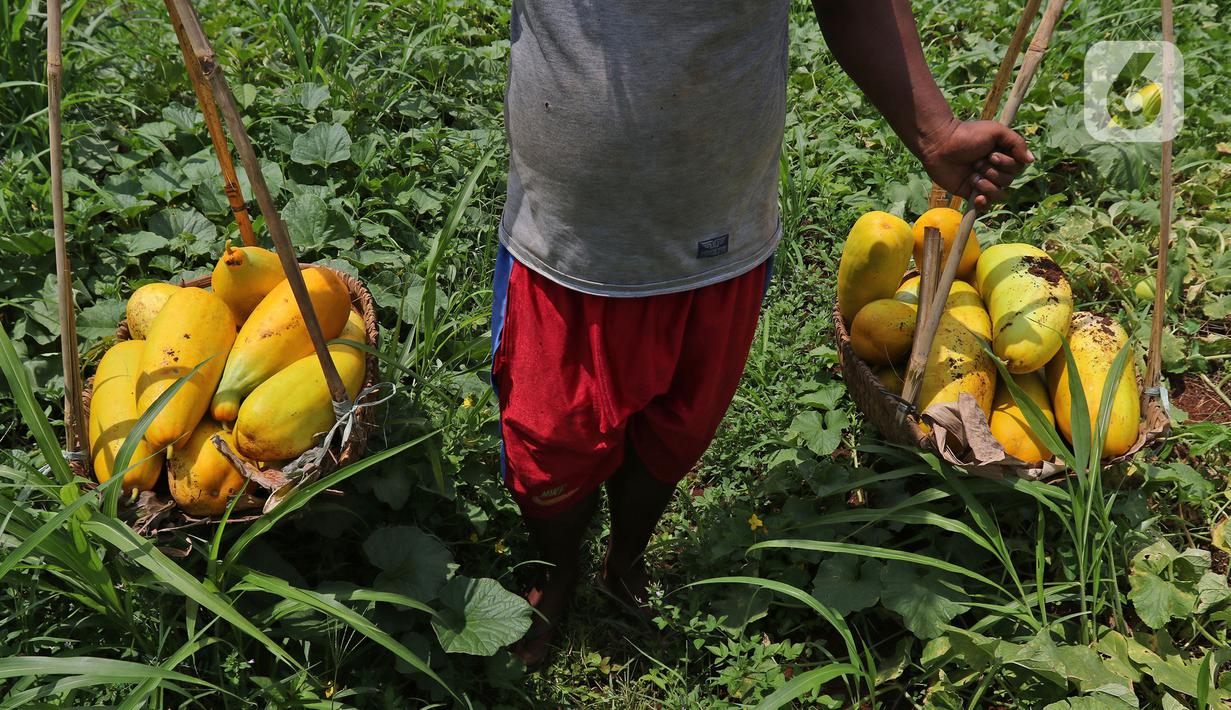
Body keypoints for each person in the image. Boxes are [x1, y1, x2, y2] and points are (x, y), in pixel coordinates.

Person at [490, 0, 1034, 666]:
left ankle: (625, 557)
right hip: (568, 247)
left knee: (678, 428)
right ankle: (557, 572)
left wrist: (934, 131)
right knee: (550, 444)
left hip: (719, 237)